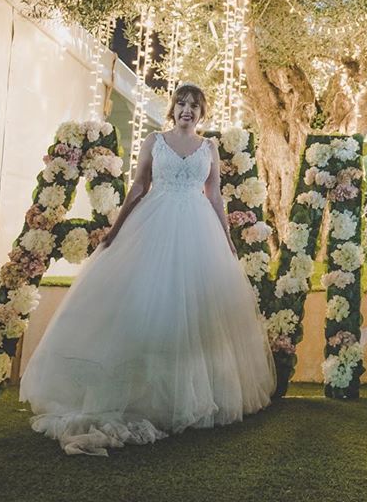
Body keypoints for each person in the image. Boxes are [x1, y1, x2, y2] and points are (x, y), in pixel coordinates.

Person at [20, 83, 275, 456]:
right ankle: (146, 398)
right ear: (173, 109)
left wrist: (227, 236)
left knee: (193, 318)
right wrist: (116, 229)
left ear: (202, 112)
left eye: (194, 105)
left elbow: (215, 193)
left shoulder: (209, 148)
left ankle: (191, 399)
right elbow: (139, 185)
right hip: (154, 225)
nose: (187, 110)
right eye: (182, 104)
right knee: (147, 309)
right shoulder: (155, 140)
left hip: (199, 231)